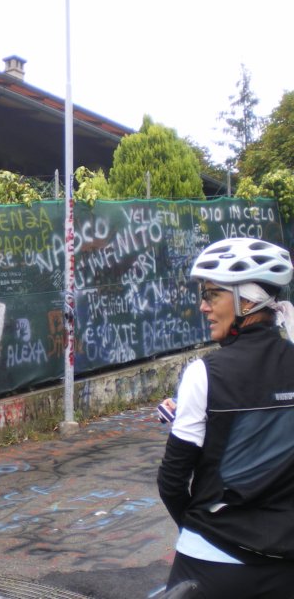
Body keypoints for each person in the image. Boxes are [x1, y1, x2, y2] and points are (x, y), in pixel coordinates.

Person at [157, 237, 294, 599]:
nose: (203, 306)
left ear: (246, 302)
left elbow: (172, 481)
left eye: (211, 295)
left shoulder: (205, 373)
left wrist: (197, 528)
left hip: (211, 560)